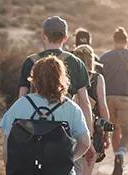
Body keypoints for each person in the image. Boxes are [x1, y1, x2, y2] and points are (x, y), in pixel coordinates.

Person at [17, 16, 95, 170]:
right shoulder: (76, 62)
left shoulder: (30, 61)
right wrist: (89, 137)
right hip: (66, 127)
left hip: (34, 126)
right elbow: (85, 103)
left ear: (43, 36)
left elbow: (21, 98)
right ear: (65, 38)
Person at [0, 56, 91, 175]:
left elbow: (7, 144)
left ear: (35, 79)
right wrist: (67, 159)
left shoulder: (20, 105)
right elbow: (85, 142)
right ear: (61, 79)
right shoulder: (71, 108)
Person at [100, 27, 128, 175]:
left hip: (108, 99)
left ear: (114, 41)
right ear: (127, 41)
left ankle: (116, 157)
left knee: (115, 130)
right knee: (126, 132)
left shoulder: (104, 57)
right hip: (126, 98)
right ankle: (120, 155)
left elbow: (100, 80)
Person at [73, 44, 111, 175]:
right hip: (92, 129)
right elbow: (103, 107)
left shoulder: (68, 78)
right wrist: (107, 132)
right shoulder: (97, 78)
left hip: (70, 127)